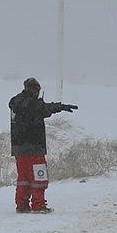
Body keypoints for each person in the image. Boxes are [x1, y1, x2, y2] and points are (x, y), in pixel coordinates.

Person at [8, 77, 76, 213]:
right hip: (34, 148)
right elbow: (45, 109)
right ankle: (38, 205)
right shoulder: (32, 104)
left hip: (19, 149)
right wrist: (60, 106)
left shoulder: (15, 102)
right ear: (34, 90)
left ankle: (21, 205)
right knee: (39, 177)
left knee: (23, 178)